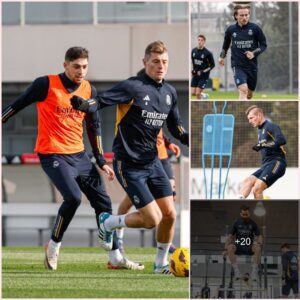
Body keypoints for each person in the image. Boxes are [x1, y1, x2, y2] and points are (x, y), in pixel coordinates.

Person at [2, 46, 143, 271]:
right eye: (76, 66)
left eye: (85, 67)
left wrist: (101, 160)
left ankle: (115, 258)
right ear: (65, 65)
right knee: (73, 198)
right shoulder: (45, 84)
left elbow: (94, 127)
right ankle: (53, 247)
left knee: (104, 202)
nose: (81, 71)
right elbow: (17, 105)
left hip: (80, 155)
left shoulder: (89, 90)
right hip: (52, 153)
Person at [71, 40, 189, 274]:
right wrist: (85, 105)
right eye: (155, 61)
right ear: (145, 62)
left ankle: (161, 264)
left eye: (164, 62)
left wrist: (191, 140)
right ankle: (110, 223)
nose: (160, 66)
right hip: (128, 162)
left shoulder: (170, 92)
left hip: (152, 161)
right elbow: (103, 100)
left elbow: (175, 128)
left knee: (170, 215)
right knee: (152, 219)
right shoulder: (133, 86)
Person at [116, 128, 180, 254]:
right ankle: (118, 237)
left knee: (170, 198)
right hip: (143, 156)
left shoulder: (163, 109)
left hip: (162, 157)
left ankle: (165, 241)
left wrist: (168, 142)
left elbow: (157, 123)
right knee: (129, 200)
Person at [218, 4, 267, 100]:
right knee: (243, 89)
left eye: (246, 15)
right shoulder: (231, 30)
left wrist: (253, 53)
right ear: (236, 16)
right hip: (238, 65)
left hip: (252, 66)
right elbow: (225, 45)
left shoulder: (255, 28)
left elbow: (263, 45)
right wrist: (222, 56)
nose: (244, 17)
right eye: (241, 15)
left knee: (249, 94)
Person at [239, 105, 287, 200]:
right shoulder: (260, 131)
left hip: (277, 162)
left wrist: (263, 145)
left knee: (257, 189)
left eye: (251, 118)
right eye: (249, 119)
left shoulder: (271, 126)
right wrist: (261, 145)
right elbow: (265, 145)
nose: (250, 121)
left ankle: (260, 214)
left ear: (259, 115)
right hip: (266, 165)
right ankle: (239, 201)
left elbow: (281, 140)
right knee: (247, 181)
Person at [223, 205, 263, 281]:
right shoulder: (236, 223)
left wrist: (259, 243)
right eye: (243, 214)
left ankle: (254, 272)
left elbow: (260, 236)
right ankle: (236, 271)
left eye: (246, 214)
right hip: (239, 245)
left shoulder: (253, 224)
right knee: (230, 247)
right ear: (241, 214)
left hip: (249, 246)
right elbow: (229, 236)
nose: (245, 216)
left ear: (249, 214)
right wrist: (225, 249)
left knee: (258, 248)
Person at [191, 34, 215, 99]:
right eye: (198, 40)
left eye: (201, 40)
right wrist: (193, 71)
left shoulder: (208, 53)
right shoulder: (193, 51)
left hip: (204, 76)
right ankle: (204, 95)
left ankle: (201, 100)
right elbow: (193, 62)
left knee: (197, 93)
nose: (199, 42)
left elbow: (212, 65)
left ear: (204, 42)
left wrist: (203, 71)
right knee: (193, 93)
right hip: (196, 75)